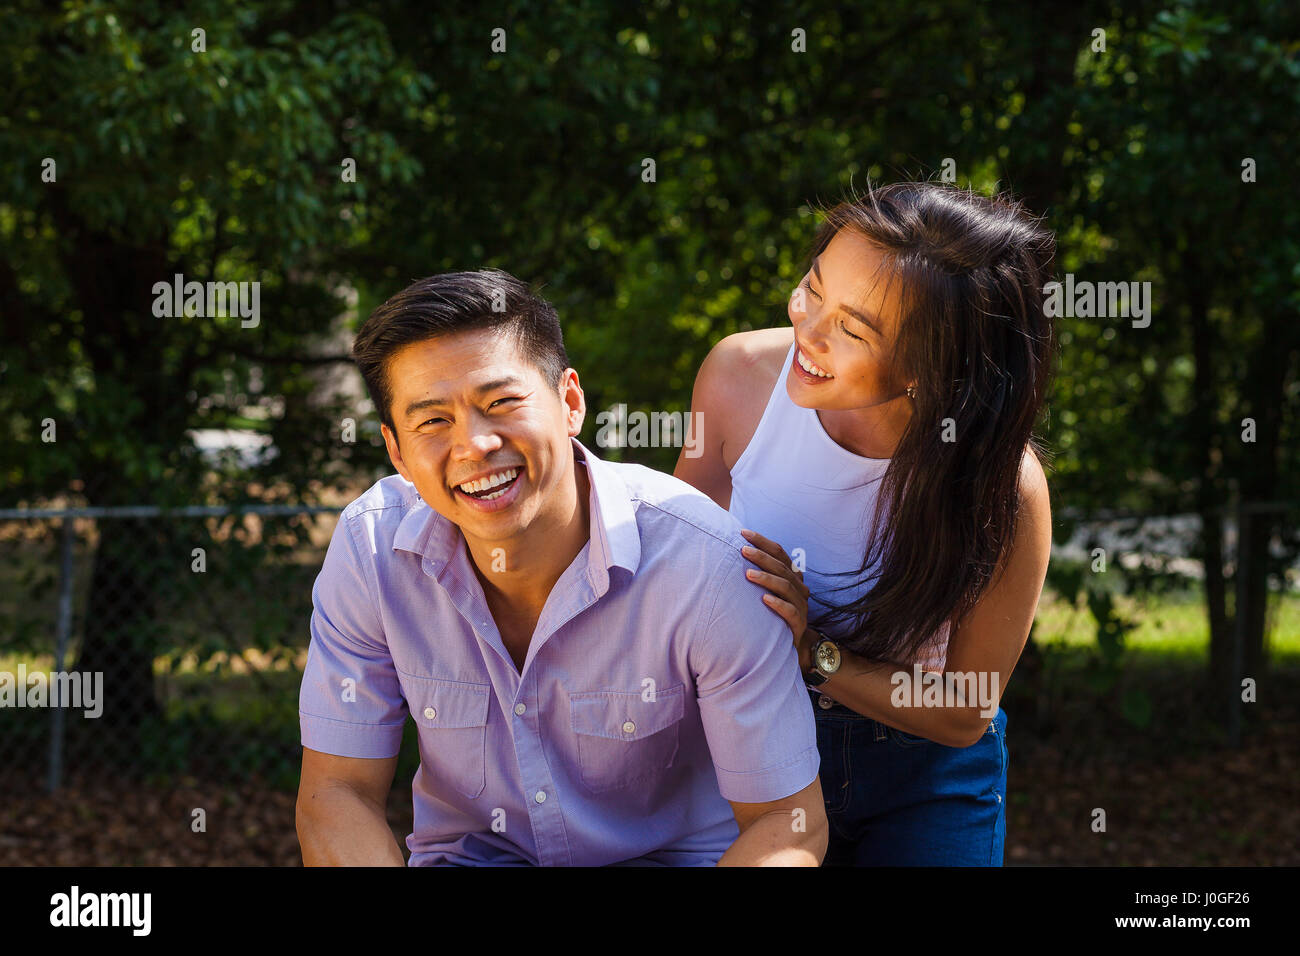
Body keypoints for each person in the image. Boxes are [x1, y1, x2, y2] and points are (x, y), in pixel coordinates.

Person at [295, 269, 826, 866]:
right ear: (396, 450)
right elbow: (337, 792)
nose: (474, 445)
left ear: (570, 402)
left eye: (500, 402)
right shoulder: (371, 550)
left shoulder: (707, 566)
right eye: (433, 421)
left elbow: (788, 824)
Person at [675, 180, 1056, 865]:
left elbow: (962, 712)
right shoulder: (737, 378)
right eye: (813, 287)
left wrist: (811, 650)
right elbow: (672, 576)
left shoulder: (1006, 487)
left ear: (934, 369)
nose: (806, 330)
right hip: (753, 742)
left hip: (923, 773)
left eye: (851, 329)